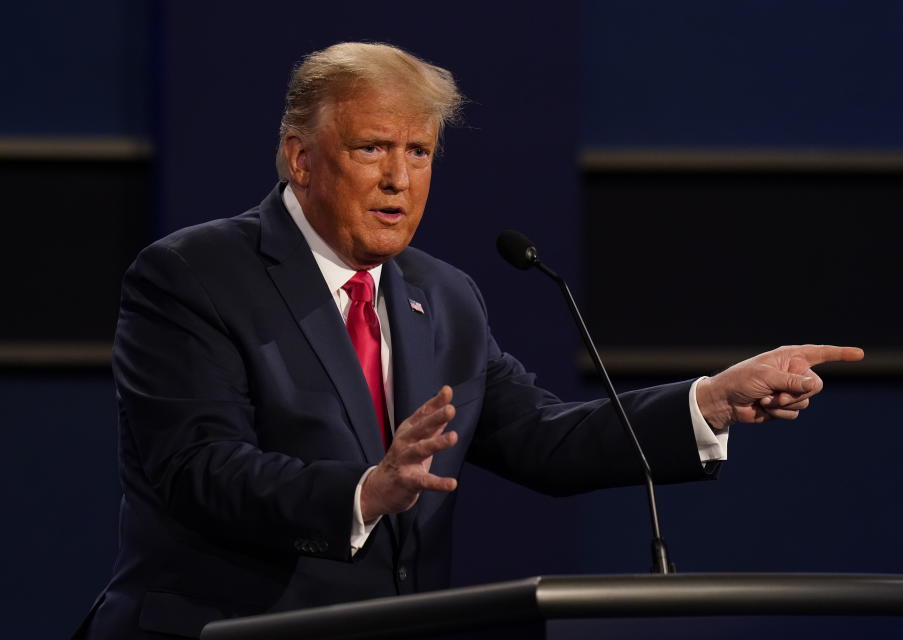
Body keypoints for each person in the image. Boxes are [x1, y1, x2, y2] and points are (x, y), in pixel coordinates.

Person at [74, 42, 863, 639]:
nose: (400, 178)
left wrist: (707, 402)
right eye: (371, 148)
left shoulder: (444, 296)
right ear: (300, 155)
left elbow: (542, 439)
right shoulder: (192, 274)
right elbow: (198, 469)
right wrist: (363, 491)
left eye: (419, 153)